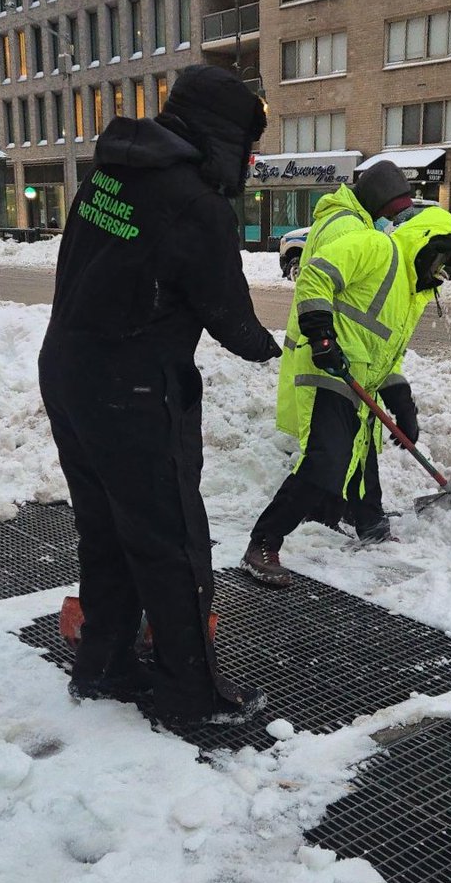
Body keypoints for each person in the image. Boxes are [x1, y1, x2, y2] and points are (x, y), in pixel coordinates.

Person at [38, 64, 281, 724]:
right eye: (251, 146)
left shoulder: (111, 172)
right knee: (172, 542)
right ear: (225, 136)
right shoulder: (196, 205)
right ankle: (189, 694)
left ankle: (104, 667)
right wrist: (268, 345)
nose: (252, 162)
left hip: (69, 373)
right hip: (133, 388)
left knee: (107, 531)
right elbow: (230, 318)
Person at [241, 205, 451, 588]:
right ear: (426, 244)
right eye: (442, 258)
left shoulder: (412, 293)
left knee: (358, 459)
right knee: (325, 462)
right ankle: (262, 543)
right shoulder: (378, 248)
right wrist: (321, 335)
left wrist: (402, 402)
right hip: (330, 369)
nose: (441, 270)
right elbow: (316, 275)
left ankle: (370, 526)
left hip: (359, 383)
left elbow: (385, 355)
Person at [275, 160, 414, 530]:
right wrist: (323, 336)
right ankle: (277, 531)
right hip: (332, 353)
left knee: (342, 445)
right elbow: (325, 286)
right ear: (376, 201)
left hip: (342, 351)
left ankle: (355, 510)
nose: (393, 222)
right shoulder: (350, 229)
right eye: (391, 213)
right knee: (330, 452)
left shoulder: (353, 223)